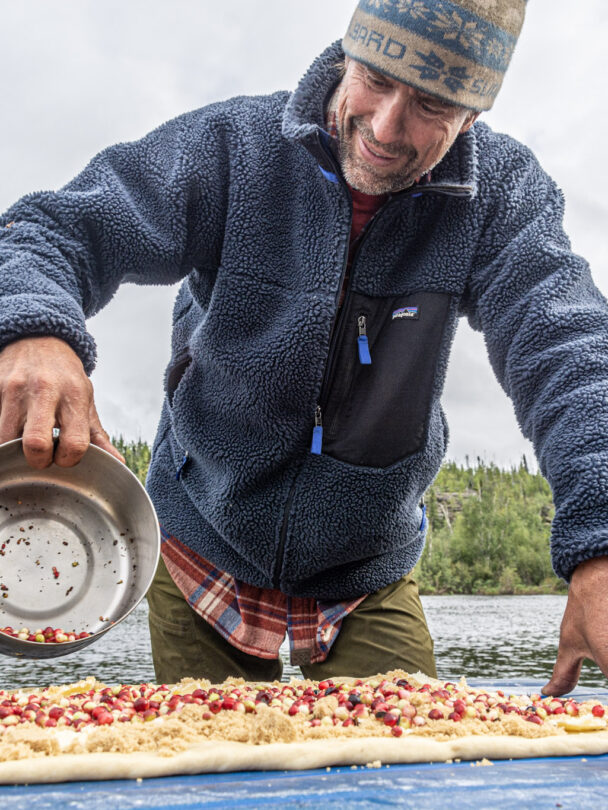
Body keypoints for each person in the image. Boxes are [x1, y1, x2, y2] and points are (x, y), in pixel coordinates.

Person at [1, 0, 607, 696]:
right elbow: (50, 231)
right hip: (200, 542)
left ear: (473, 115)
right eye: (376, 77)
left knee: (405, 785)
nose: (385, 127)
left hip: (367, 568)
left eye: (432, 104)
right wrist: (33, 329)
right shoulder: (232, 148)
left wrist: (602, 544)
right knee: (207, 786)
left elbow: (570, 351)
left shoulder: (502, 198)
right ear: (347, 53)